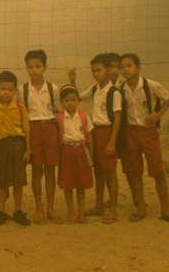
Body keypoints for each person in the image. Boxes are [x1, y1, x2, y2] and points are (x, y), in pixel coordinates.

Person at [119, 53, 169, 224]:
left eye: (129, 65)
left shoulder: (151, 85)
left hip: (148, 132)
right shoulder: (121, 88)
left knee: (158, 170)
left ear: (138, 67)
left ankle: (165, 209)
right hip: (130, 133)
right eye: (122, 66)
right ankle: (140, 208)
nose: (125, 69)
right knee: (134, 171)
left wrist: (157, 115)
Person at [18, 49, 62, 224]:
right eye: (30, 67)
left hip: (50, 128)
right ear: (26, 68)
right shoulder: (23, 90)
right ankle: (38, 208)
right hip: (33, 129)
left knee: (50, 170)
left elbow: (58, 112)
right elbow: (22, 115)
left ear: (45, 67)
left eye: (38, 66)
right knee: (36, 170)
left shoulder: (53, 89)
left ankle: (51, 208)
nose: (34, 70)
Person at [0, 71, 31, 227]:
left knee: (18, 182)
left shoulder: (20, 107)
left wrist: (28, 150)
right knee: (2, 182)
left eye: (10, 89)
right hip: (1, 147)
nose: (6, 92)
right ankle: (0, 212)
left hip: (18, 146)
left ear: (14, 90)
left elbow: (27, 130)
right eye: (3, 89)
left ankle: (18, 211)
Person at [78, 54, 123, 223]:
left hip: (107, 132)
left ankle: (112, 209)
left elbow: (117, 118)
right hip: (95, 132)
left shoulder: (114, 92)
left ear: (108, 70)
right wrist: (73, 80)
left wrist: (112, 142)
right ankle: (98, 205)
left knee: (110, 171)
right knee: (98, 170)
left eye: (99, 70)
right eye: (93, 71)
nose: (96, 74)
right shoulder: (95, 89)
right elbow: (78, 97)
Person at [57, 85, 94, 223]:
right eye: (67, 100)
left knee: (80, 184)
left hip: (82, 153)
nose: (70, 103)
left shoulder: (84, 116)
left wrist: (92, 154)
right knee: (67, 184)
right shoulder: (59, 118)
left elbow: (90, 135)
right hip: (66, 153)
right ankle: (71, 212)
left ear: (78, 100)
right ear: (61, 102)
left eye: (73, 99)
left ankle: (81, 213)